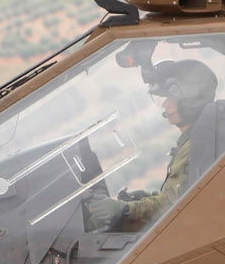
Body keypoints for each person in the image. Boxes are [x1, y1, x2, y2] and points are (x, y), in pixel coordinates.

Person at [86, 58, 218, 232]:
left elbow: (171, 205)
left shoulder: (196, 146)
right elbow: (178, 194)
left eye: (171, 98)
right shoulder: (196, 139)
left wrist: (126, 209)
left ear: (190, 101)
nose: (165, 104)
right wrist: (144, 197)